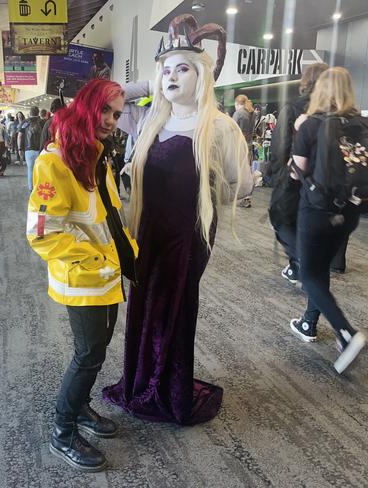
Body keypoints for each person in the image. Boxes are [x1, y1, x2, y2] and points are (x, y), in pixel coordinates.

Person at [103, 15, 252, 425]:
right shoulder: (154, 121)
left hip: (188, 239)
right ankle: (141, 381)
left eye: (182, 68)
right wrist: (153, 85)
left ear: (202, 75)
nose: (171, 76)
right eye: (165, 70)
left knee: (172, 310)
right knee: (145, 307)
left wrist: (210, 188)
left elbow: (244, 185)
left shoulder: (219, 127)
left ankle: (166, 389)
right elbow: (114, 97)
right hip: (148, 235)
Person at [26, 78, 138, 472]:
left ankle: (82, 407)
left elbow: (106, 217)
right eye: (105, 110)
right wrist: (96, 263)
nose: (110, 120)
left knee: (96, 353)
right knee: (87, 355)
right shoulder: (54, 161)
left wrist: (127, 258)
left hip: (107, 276)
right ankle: (63, 430)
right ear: (87, 106)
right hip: (84, 278)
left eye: (117, 114)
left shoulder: (97, 154)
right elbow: (42, 233)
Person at [288, 67, 367, 373]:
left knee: (308, 274)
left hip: (316, 209)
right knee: (320, 268)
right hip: (349, 211)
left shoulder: (310, 124)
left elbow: (297, 171)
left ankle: (346, 333)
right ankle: (309, 322)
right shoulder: (363, 124)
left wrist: (298, 135)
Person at [268, 63, 329, 285]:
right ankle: (297, 266)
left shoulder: (295, 108)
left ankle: (305, 263)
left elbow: (279, 147)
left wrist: (276, 178)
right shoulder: (337, 110)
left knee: (281, 220)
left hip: (295, 179)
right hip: (326, 183)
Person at [233, 94, 255, 207]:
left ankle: (239, 197)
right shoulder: (252, 113)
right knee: (248, 171)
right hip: (249, 145)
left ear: (237, 104)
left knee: (238, 172)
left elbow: (231, 130)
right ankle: (247, 198)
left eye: (235, 105)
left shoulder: (238, 114)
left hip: (239, 146)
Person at [18, 106, 43, 190]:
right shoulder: (42, 122)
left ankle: (31, 189)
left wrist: (19, 148)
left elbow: (19, 136)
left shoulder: (25, 122)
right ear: (38, 113)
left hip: (28, 150)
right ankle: (39, 188)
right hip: (41, 150)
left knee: (30, 170)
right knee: (41, 170)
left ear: (30, 113)